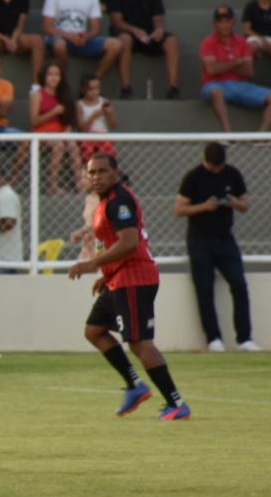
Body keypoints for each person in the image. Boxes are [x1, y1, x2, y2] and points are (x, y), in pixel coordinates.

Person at [68, 151, 189, 420]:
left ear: (115, 173)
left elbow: (130, 242)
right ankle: (135, 385)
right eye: (92, 172)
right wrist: (106, 274)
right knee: (94, 330)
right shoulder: (106, 202)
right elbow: (118, 242)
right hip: (119, 277)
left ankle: (176, 403)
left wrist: (92, 263)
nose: (96, 177)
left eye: (102, 171)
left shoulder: (119, 201)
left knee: (139, 343)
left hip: (135, 277)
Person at [174, 142, 256, 352]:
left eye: (219, 166)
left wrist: (233, 202)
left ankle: (244, 338)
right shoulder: (193, 177)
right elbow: (179, 209)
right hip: (199, 240)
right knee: (204, 289)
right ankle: (213, 338)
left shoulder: (232, 174)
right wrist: (204, 207)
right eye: (213, 166)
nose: (217, 170)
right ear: (206, 161)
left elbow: (245, 204)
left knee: (239, 284)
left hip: (225, 239)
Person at [200, 4, 271, 134]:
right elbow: (211, 70)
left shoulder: (242, 42)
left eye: (227, 21)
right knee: (216, 92)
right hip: (214, 84)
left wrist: (222, 65)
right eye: (220, 22)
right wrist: (237, 62)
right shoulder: (208, 42)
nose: (224, 25)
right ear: (215, 24)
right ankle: (228, 134)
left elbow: (249, 72)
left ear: (233, 22)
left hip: (240, 84)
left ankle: (260, 136)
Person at [107, 0, 181, 99]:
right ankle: (126, 88)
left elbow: (158, 19)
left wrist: (159, 30)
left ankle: (173, 87)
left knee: (172, 41)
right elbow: (117, 22)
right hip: (127, 33)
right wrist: (135, 30)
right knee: (125, 40)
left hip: (148, 34)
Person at [42, 0, 121, 77]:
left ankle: (94, 80)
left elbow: (96, 28)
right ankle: (62, 79)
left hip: (82, 39)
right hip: (59, 38)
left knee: (116, 44)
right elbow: (47, 27)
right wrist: (70, 37)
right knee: (59, 45)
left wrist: (85, 37)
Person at [29, 60, 79, 195]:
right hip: (42, 133)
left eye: (57, 74)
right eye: (50, 74)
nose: (53, 78)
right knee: (59, 146)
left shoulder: (64, 95)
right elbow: (34, 121)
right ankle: (53, 186)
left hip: (60, 132)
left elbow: (69, 120)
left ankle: (79, 184)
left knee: (73, 145)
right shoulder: (37, 94)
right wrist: (53, 112)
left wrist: (67, 129)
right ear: (44, 76)